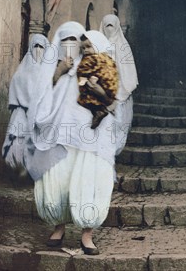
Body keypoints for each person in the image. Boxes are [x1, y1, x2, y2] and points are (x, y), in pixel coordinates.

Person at [30, 21, 117, 256]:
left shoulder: (93, 65)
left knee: (90, 179)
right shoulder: (54, 69)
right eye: (65, 40)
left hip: (90, 136)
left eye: (74, 41)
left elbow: (109, 99)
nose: (70, 45)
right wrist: (58, 73)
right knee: (60, 180)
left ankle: (87, 235)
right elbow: (40, 99)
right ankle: (58, 227)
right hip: (61, 137)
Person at [2, 34, 50, 175]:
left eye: (41, 47)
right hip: (22, 115)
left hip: (40, 116)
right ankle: (17, 172)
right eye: (35, 46)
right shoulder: (21, 73)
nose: (38, 50)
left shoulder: (47, 73)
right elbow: (19, 94)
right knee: (19, 141)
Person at [100, 15, 138, 155]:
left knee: (120, 122)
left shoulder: (123, 46)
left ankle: (114, 152)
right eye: (107, 26)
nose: (109, 29)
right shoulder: (99, 44)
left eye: (112, 26)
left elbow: (128, 70)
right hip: (102, 91)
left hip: (120, 90)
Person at [77, 31, 119, 129]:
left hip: (99, 85)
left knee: (86, 96)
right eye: (83, 48)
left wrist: (81, 82)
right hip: (110, 87)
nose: (85, 50)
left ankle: (98, 111)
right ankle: (100, 110)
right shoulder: (108, 58)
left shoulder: (90, 59)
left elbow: (82, 71)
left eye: (88, 47)